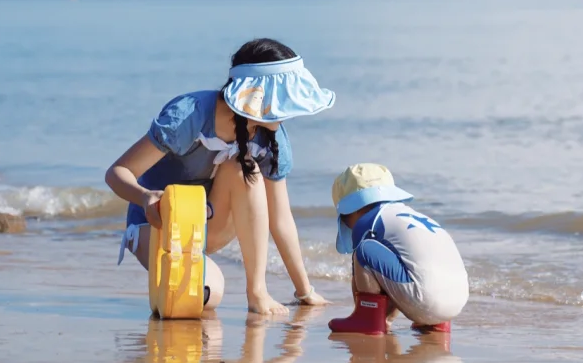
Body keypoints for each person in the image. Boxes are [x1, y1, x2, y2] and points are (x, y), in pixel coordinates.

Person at [106, 39, 334, 317]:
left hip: (208, 226)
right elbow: (117, 173)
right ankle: (174, 282)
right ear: (255, 93)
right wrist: (145, 197)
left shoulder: (271, 138)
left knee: (244, 171)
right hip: (157, 226)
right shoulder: (189, 117)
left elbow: (281, 218)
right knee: (205, 295)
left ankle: (257, 292)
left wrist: (305, 291)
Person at [328, 163, 469, 335]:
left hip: (423, 299)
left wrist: (372, 314)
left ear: (352, 210)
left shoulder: (368, 221)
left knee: (364, 251)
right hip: (457, 302)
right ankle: (436, 324)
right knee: (406, 258)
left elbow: (362, 274)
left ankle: (369, 320)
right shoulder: (414, 216)